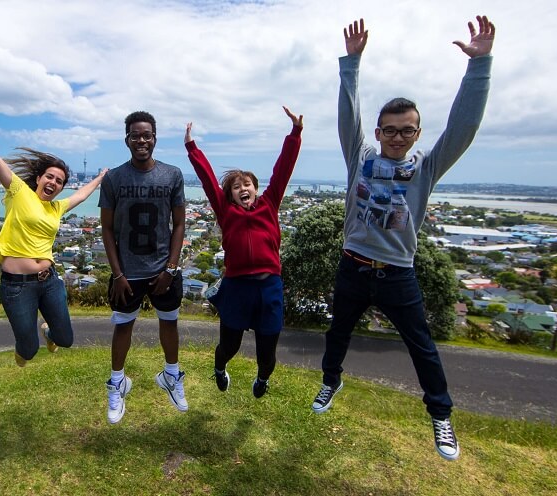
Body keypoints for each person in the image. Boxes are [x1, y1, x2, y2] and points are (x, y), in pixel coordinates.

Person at [311, 16, 495, 462]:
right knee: (337, 334)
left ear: (417, 134)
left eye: (406, 130)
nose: (397, 136)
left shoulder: (424, 170)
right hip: (354, 263)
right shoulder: (360, 157)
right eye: (389, 129)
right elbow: (346, 116)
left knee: (423, 348)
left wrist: (480, 66)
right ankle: (330, 382)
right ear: (377, 133)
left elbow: (462, 131)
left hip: (398, 273)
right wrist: (350, 65)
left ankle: (441, 415)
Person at [0, 86, 107, 367]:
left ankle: (48, 332)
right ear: (39, 177)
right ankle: (29, 343)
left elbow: (80, 195)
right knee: (27, 351)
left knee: (65, 339)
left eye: (60, 181)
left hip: (50, 280)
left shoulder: (56, 207)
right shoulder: (18, 192)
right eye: (50, 177)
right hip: (17, 286)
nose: (54, 183)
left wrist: (101, 177)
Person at [184, 107, 302, 399]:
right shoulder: (225, 211)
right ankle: (220, 367)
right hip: (237, 286)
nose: (242, 188)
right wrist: (191, 147)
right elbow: (209, 181)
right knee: (230, 345)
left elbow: (283, 169)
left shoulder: (269, 204)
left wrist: (295, 133)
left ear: (256, 189)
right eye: (236, 187)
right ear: (231, 194)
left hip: (269, 286)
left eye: (247, 184)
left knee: (267, 352)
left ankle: (263, 378)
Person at [100, 111, 186, 424]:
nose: (141, 140)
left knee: (170, 322)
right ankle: (117, 383)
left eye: (146, 135)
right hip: (128, 270)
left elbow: (179, 224)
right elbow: (106, 229)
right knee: (123, 325)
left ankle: (172, 376)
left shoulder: (172, 175)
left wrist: (171, 268)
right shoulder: (113, 178)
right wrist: (118, 274)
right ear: (127, 140)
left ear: (155, 138)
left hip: (163, 267)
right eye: (135, 135)